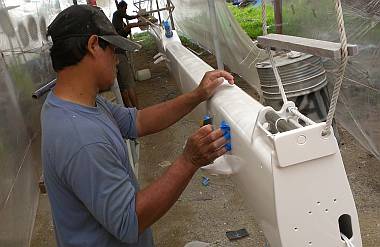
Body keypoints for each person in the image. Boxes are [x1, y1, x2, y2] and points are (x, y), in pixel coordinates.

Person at [42, 5, 234, 247]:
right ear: (93, 46)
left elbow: (137, 121)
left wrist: (197, 95)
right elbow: (128, 221)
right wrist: (189, 161)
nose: (116, 59)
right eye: (112, 49)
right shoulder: (82, 137)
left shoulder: (75, 104)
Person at [112, 0, 145, 108]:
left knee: (122, 86)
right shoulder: (117, 14)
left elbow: (125, 32)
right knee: (128, 83)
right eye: (125, 8)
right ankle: (137, 110)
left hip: (115, 54)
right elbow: (128, 20)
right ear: (121, 8)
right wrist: (139, 20)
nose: (125, 10)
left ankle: (129, 109)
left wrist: (129, 27)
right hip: (119, 53)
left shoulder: (119, 20)